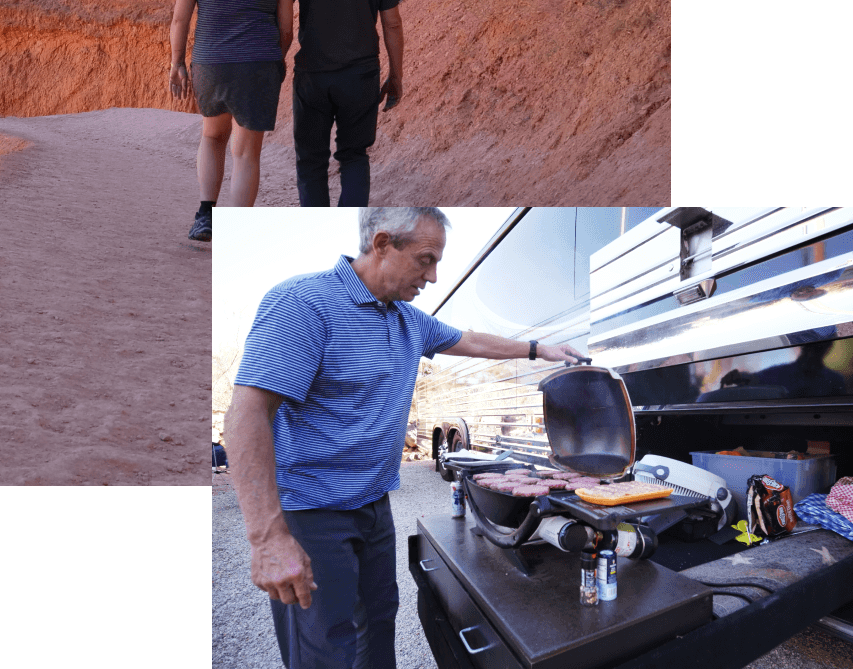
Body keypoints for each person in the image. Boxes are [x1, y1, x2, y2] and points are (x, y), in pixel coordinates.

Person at [225, 207, 585, 669]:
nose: (433, 276)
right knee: (325, 646)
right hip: (312, 512)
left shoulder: (409, 320)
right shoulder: (302, 304)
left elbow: (470, 340)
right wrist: (267, 537)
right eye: (425, 259)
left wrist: (538, 349)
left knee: (378, 626)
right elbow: (246, 415)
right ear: (381, 244)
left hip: (374, 507)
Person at [169, 0, 294, 239]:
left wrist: (177, 62)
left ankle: (206, 215)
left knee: (212, 137)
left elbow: (180, 19)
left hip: (211, 62)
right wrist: (273, 62)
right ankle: (237, 231)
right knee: (247, 153)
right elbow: (286, 29)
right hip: (258, 64)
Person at [287, 0, 402, 207]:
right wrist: (395, 76)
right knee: (354, 156)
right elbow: (392, 24)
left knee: (311, 162)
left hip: (313, 76)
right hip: (361, 77)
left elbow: (280, 11)